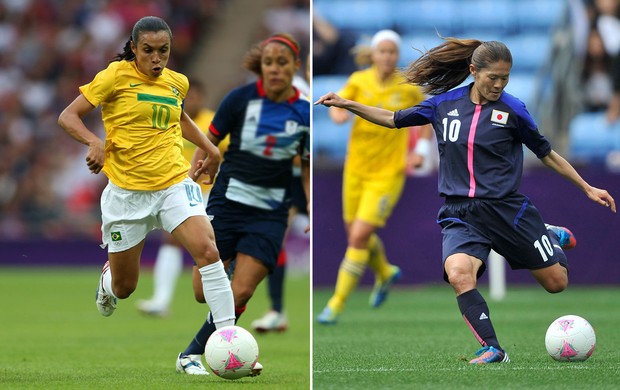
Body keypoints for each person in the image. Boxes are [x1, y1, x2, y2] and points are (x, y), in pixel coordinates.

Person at [315, 37, 616, 363]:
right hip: (460, 212)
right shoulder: (443, 105)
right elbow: (393, 119)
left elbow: (547, 154)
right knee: (459, 274)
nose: (499, 85)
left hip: (507, 210)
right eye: (492, 78)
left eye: (505, 78)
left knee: (557, 284)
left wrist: (587, 187)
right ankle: (493, 348)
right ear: (474, 71)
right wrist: (348, 104)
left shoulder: (513, 110)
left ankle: (549, 236)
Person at [57, 15, 236, 368]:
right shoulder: (114, 76)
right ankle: (108, 280)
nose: (157, 59)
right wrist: (94, 142)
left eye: (164, 51)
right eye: (149, 51)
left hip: (173, 183)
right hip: (127, 194)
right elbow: (68, 116)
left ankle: (229, 344)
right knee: (126, 288)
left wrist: (210, 148)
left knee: (208, 249)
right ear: (135, 49)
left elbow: (178, 117)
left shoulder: (177, 82)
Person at [176, 32, 310, 375]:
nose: (275, 69)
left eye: (282, 63)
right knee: (201, 293)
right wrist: (193, 181)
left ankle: (193, 354)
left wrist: (312, 206)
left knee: (240, 292)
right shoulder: (239, 99)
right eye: (269, 63)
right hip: (228, 202)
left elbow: (305, 166)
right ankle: (227, 337)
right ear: (261, 67)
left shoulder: (304, 112)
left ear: (295, 66)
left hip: (270, 213)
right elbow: (208, 143)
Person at [316, 30, 433, 325]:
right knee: (357, 233)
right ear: (374, 54)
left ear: (396, 55)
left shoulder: (406, 87)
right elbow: (341, 106)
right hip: (355, 169)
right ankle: (384, 271)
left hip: (388, 172)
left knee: (358, 236)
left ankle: (336, 303)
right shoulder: (359, 80)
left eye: (392, 52)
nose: (387, 57)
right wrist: (337, 115)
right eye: (382, 51)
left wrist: (419, 147)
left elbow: (428, 115)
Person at [135, 79, 230, 318]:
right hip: (183, 190)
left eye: (197, 96)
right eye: (189, 98)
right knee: (172, 240)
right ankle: (161, 300)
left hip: (211, 192)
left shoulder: (213, 121)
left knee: (214, 249)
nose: (193, 101)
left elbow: (228, 155)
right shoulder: (169, 121)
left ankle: (223, 303)